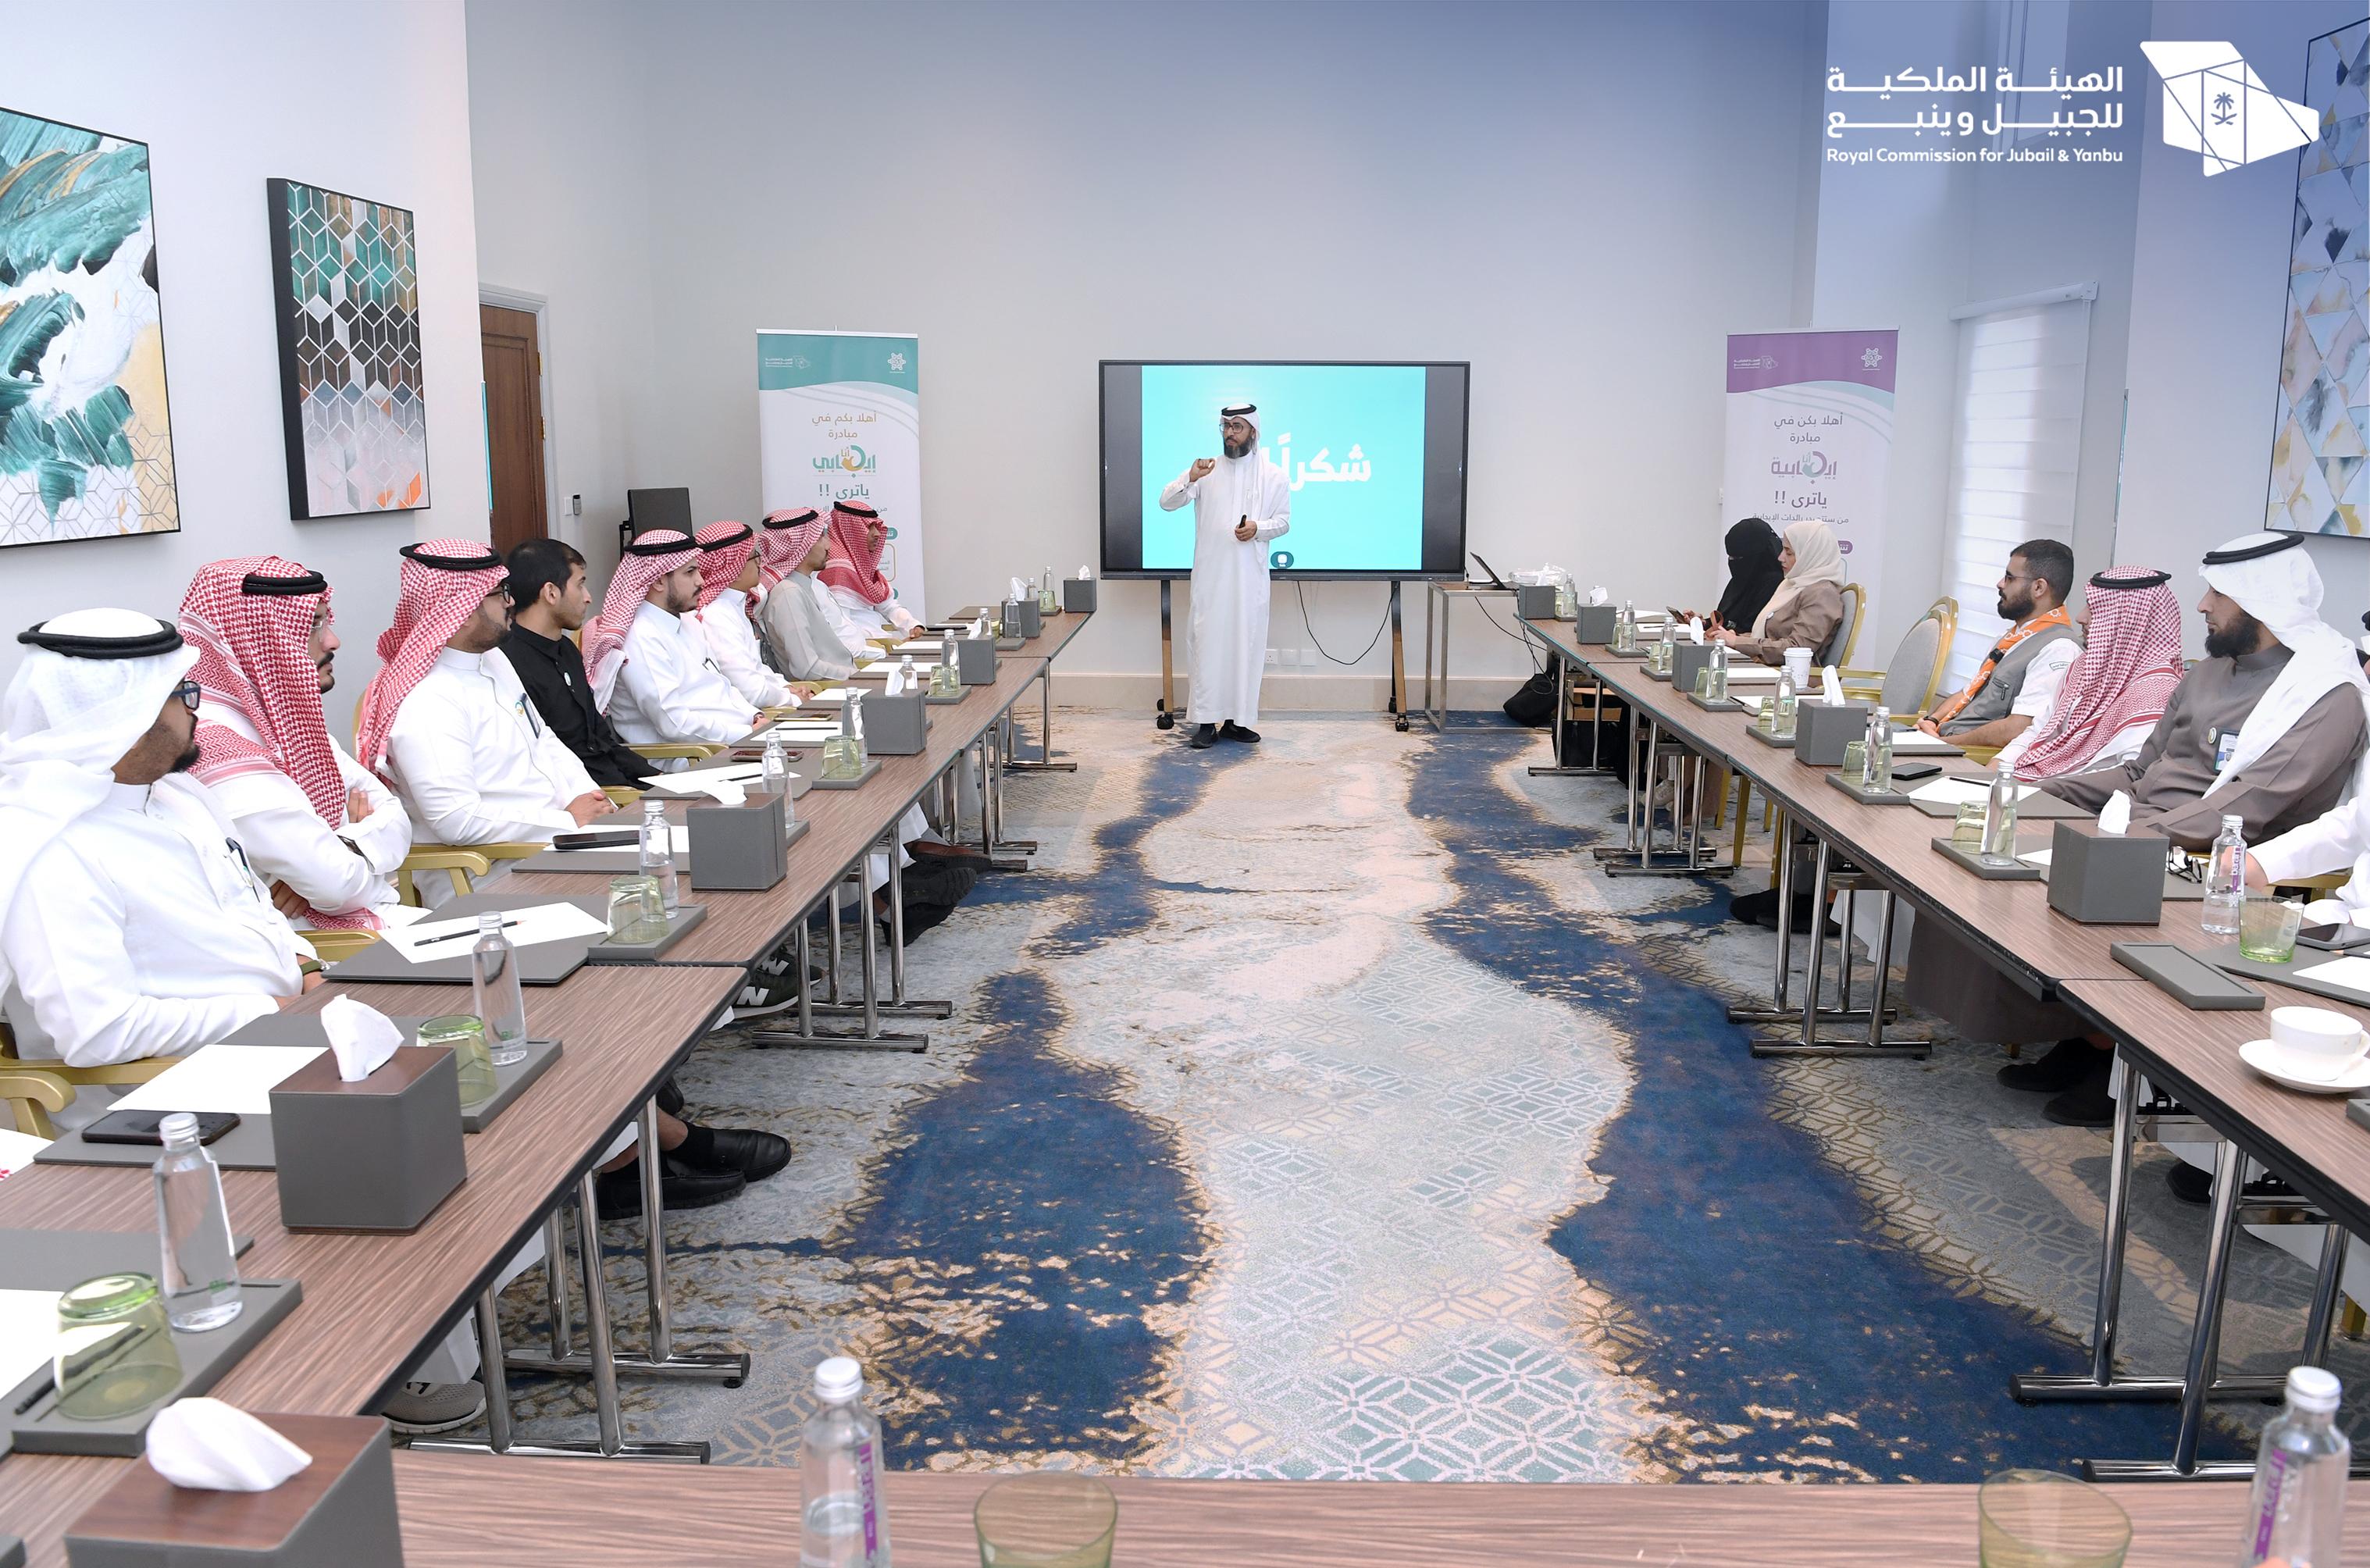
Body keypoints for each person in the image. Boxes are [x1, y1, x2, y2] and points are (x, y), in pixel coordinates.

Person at [1962, 533, 2370, 1126]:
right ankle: (2081, 1034)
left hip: (2223, 860)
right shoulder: (2206, 674)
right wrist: (2040, 794)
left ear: (2260, 602)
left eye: (2216, 594)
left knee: (2069, 875)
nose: (2202, 606)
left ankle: (2115, 1059)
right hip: (2147, 830)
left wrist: (2120, 840)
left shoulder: (2326, 696)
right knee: (2006, 852)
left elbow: (2244, 808)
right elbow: (2138, 771)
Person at [0, 610, 314, 1068]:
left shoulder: (178, 792)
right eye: (182, 693)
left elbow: (254, 912)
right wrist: (273, 1013)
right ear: (127, 717)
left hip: (289, 1033)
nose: (194, 709)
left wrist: (309, 972)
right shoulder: (49, 847)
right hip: (178, 1085)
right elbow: (100, 1034)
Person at [179, 557, 415, 930]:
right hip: (326, 947)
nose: (332, 641)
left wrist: (344, 845)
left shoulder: (285, 717)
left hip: (376, 919)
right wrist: (346, 859)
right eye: (312, 625)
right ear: (258, 639)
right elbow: (338, 888)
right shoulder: (218, 746)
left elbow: (395, 816)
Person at [364, 541, 612, 846]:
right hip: (500, 862)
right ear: (462, 611)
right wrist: (566, 821)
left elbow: (543, 740)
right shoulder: (428, 700)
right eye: (499, 593)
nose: (511, 602)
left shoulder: (493, 659)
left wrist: (590, 797)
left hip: (561, 836)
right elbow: (456, 820)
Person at [1160, 402, 1291, 749]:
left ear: (1253, 432)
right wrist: (1189, 478)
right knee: (1207, 646)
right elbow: (1167, 502)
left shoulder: (1274, 475)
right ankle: (1205, 722)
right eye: (1226, 426)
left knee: (1245, 648)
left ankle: (1236, 721)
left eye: (1237, 427)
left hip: (1250, 582)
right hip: (1211, 580)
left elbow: (1283, 522)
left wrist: (1258, 528)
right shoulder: (1207, 471)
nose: (1230, 433)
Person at [1992, 567, 2183, 779]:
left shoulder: (2156, 690)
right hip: (2032, 778)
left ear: (2128, 619)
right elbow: (2039, 731)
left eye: (2094, 608)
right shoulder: (2083, 667)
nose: (2081, 617)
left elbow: (2128, 775)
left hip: (2071, 794)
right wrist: (1998, 766)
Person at [500, 537, 656, 792]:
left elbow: (601, 739)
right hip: (586, 795)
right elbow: (545, 757)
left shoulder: (567, 650)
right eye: (580, 585)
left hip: (620, 784)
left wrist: (659, 780)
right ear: (551, 593)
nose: (588, 597)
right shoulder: (509, 662)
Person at [588, 529, 762, 749]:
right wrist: (746, 733)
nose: (701, 581)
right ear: (659, 581)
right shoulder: (640, 637)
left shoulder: (688, 622)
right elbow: (674, 723)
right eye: (690, 572)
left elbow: (721, 686)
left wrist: (754, 717)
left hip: (731, 740)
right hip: (691, 757)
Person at [1914, 539, 2079, 746]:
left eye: (2010, 578)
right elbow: (1967, 693)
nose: (2000, 584)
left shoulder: (2059, 649)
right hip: (1945, 740)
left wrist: (1944, 746)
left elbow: (2017, 729)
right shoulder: (2013, 638)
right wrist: (1931, 721)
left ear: (2038, 587)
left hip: (1968, 756)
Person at [691, 519, 798, 710]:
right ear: (736, 568)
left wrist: (786, 688)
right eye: (754, 556)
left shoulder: (734, 606)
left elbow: (757, 668)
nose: (760, 562)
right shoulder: (717, 615)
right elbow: (752, 692)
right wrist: (792, 699)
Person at [1710, 519, 1846, 666]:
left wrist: (1737, 641)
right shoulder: (1791, 586)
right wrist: (1736, 637)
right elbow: (1770, 637)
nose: (1780, 558)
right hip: (1768, 667)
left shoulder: (1822, 594)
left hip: (1790, 675)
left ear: (1809, 555)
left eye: (1789, 552)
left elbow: (1797, 649)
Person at [754, 508, 859, 681]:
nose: (828, 546)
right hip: (832, 689)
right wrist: (858, 676)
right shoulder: (788, 594)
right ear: (801, 545)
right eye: (820, 538)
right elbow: (808, 669)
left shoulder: (801, 586)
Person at [818, 500, 922, 643]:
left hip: (879, 645)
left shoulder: (861, 565)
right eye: (869, 527)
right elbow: (842, 630)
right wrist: (892, 645)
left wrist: (913, 626)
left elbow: (888, 606)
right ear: (851, 530)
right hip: (864, 649)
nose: (877, 534)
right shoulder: (837, 568)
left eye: (876, 527)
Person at [1687, 518, 1786, 635]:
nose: (1733, 562)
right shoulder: (1742, 578)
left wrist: (1733, 636)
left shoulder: (1774, 583)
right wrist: (1704, 623)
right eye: (1731, 557)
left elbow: (1755, 630)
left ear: (1757, 556)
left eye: (1739, 558)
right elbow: (1727, 620)